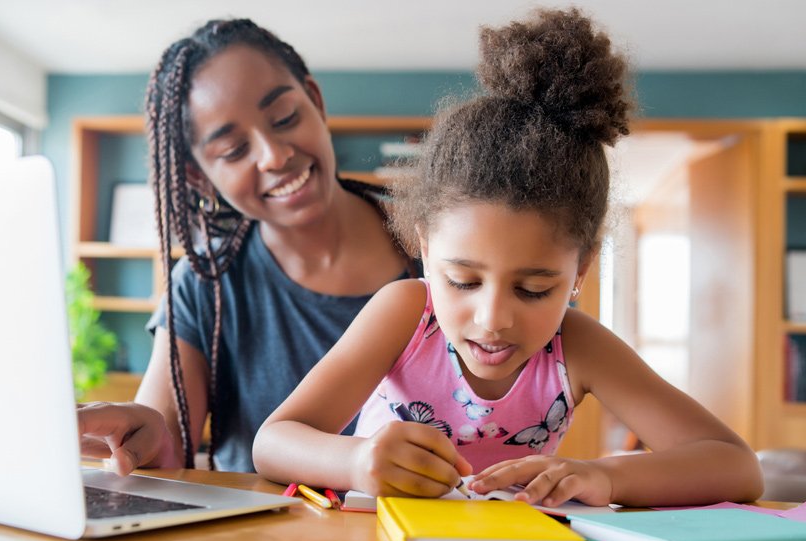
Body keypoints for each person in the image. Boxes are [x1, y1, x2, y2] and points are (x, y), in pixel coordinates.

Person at [253, 8, 764, 508]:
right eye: (462, 281)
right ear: (427, 252)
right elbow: (273, 442)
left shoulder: (578, 347)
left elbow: (736, 467)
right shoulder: (405, 314)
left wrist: (603, 475)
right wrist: (356, 461)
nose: (493, 318)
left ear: (579, 271)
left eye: (534, 289)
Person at [77, 18, 414, 473]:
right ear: (199, 175)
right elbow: (165, 443)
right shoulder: (204, 284)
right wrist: (146, 439)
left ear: (315, 101)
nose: (274, 156)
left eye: (284, 119)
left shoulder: (444, 250)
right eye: (234, 150)